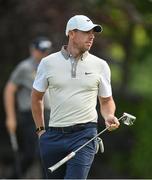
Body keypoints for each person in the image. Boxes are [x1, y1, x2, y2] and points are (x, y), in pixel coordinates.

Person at [31, 15, 120, 179]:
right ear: (71, 33)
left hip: (84, 136)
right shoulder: (48, 63)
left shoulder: (100, 65)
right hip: (53, 137)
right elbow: (36, 97)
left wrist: (109, 115)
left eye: (93, 32)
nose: (92, 36)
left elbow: (106, 100)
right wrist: (40, 132)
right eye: (86, 32)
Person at [3, 36, 52, 178]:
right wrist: (10, 117)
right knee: (32, 154)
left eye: (46, 51)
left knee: (47, 152)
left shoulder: (50, 67)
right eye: (41, 51)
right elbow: (9, 90)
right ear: (33, 50)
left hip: (48, 115)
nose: (44, 54)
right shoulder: (24, 67)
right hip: (30, 116)